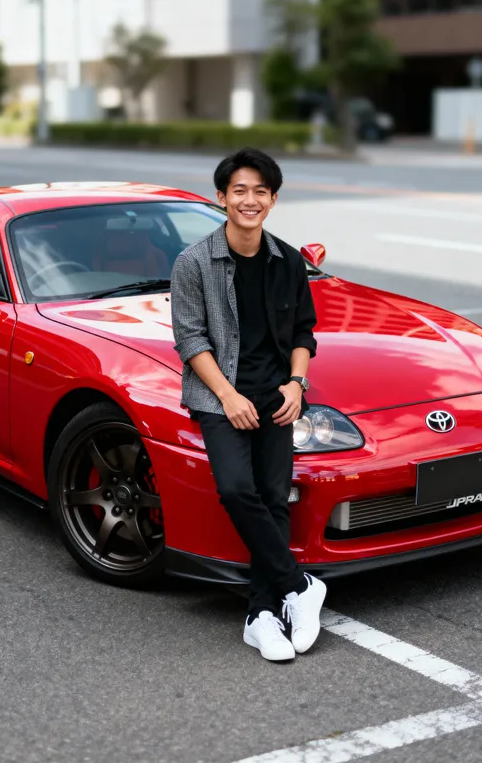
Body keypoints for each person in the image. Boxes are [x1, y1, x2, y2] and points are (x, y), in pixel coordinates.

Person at [170, 147, 326, 662]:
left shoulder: (288, 261)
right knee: (238, 490)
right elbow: (190, 341)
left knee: (273, 497)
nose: (250, 199)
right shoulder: (193, 262)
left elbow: (304, 331)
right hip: (221, 397)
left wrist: (297, 385)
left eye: (261, 191)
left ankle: (261, 614)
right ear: (222, 198)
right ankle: (300, 586)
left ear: (273, 199)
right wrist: (228, 396)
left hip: (278, 395)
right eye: (240, 190)